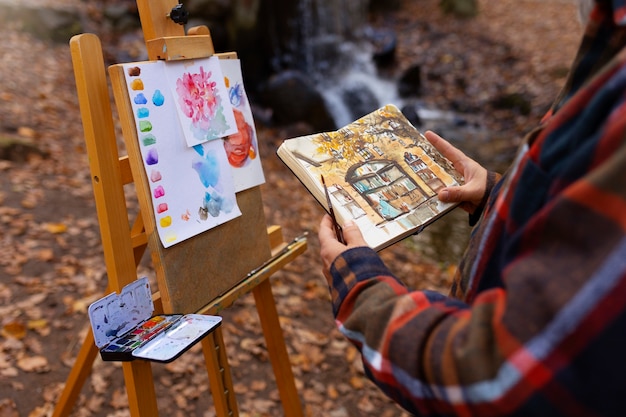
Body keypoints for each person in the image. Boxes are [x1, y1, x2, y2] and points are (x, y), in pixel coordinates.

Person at [318, 1, 626, 415]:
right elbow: (582, 230)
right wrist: (498, 196)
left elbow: (505, 378)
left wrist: (360, 288)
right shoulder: (609, 43)